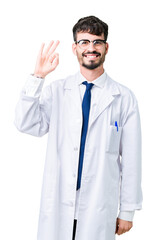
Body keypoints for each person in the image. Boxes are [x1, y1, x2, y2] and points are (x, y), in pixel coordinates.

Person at [14, 16, 142, 240]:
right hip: (58, 203)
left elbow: (131, 158)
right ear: (75, 48)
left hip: (99, 206)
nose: (90, 48)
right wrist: (38, 77)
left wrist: (128, 210)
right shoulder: (57, 91)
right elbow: (27, 123)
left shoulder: (123, 98)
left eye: (97, 42)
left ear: (106, 47)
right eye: (84, 42)